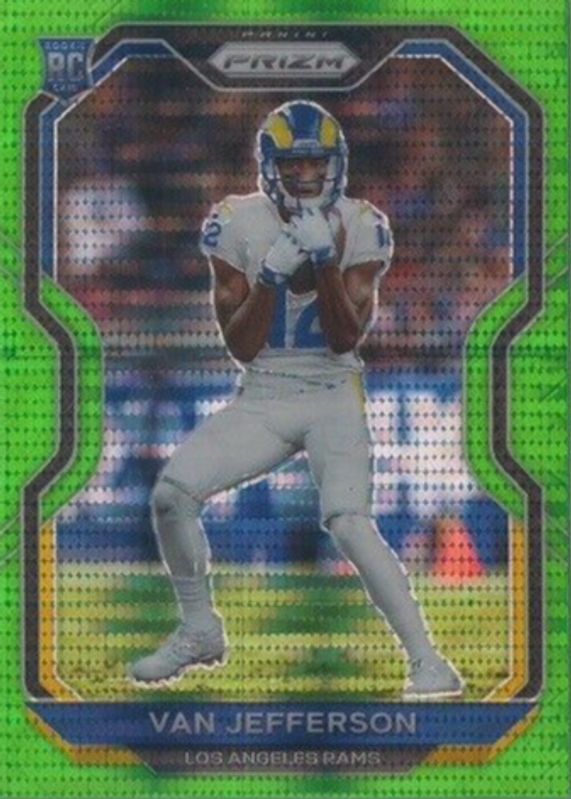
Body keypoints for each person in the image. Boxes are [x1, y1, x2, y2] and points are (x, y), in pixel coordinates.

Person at [129, 100, 464, 699]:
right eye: (294, 164)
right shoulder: (234, 221)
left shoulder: (362, 223)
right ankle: (200, 630)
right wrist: (272, 275)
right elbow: (241, 344)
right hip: (265, 391)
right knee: (171, 496)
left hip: (332, 389)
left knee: (350, 524)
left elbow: (344, 337)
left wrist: (326, 261)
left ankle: (427, 661)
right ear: (269, 166)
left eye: (316, 163)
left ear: (336, 164)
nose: (307, 176)